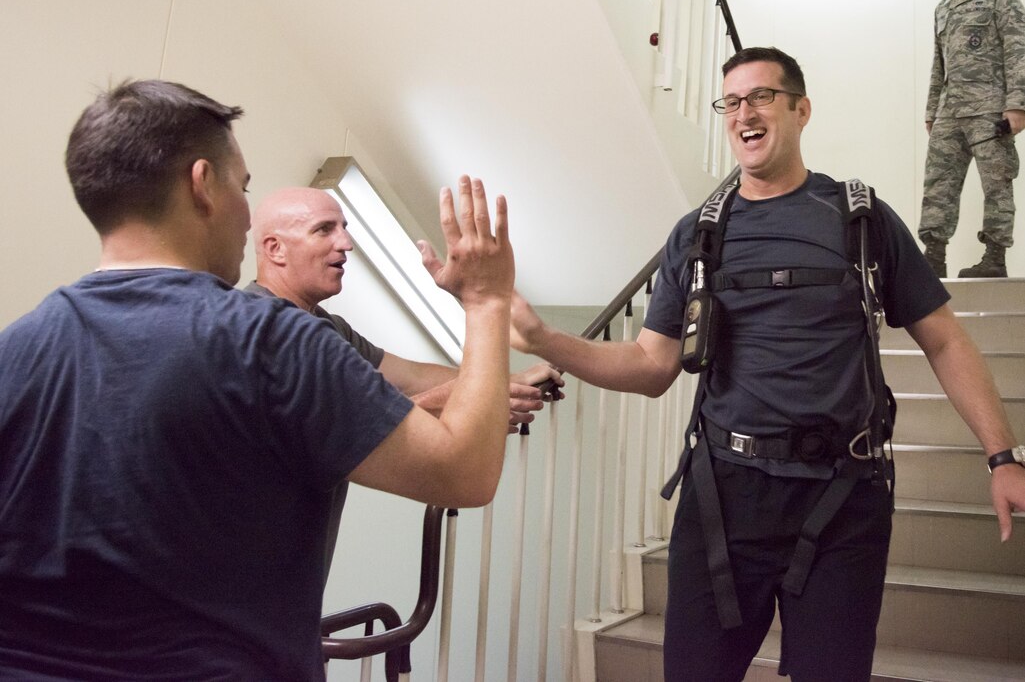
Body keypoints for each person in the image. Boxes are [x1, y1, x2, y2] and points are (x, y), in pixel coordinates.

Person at [510, 47, 1025, 681]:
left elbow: (944, 339)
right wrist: (542, 339)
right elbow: (650, 366)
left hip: (844, 499)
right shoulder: (697, 235)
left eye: (761, 97)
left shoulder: (861, 218)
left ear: (801, 110)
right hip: (723, 497)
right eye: (730, 101)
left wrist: (1002, 457)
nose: (743, 114)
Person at [0, 79, 517, 680]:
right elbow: (464, 472)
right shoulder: (270, 341)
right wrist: (486, 300)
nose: (247, 215)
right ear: (202, 184)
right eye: (243, 187)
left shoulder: (14, 350)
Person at [245, 186, 563, 578]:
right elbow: (356, 420)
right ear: (275, 248)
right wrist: (484, 305)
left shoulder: (326, 327)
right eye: (324, 230)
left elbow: (409, 379)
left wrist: (501, 382)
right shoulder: (271, 332)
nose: (345, 243)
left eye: (344, 228)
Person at [919, 0, 1025, 278]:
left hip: (990, 109)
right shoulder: (943, 7)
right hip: (950, 110)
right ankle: (933, 256)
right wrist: (932, 109)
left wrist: (1017, 105)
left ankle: (994, 258)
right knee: (938, 183)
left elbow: (1018, 53)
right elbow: (939, 62)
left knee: (997, 183)